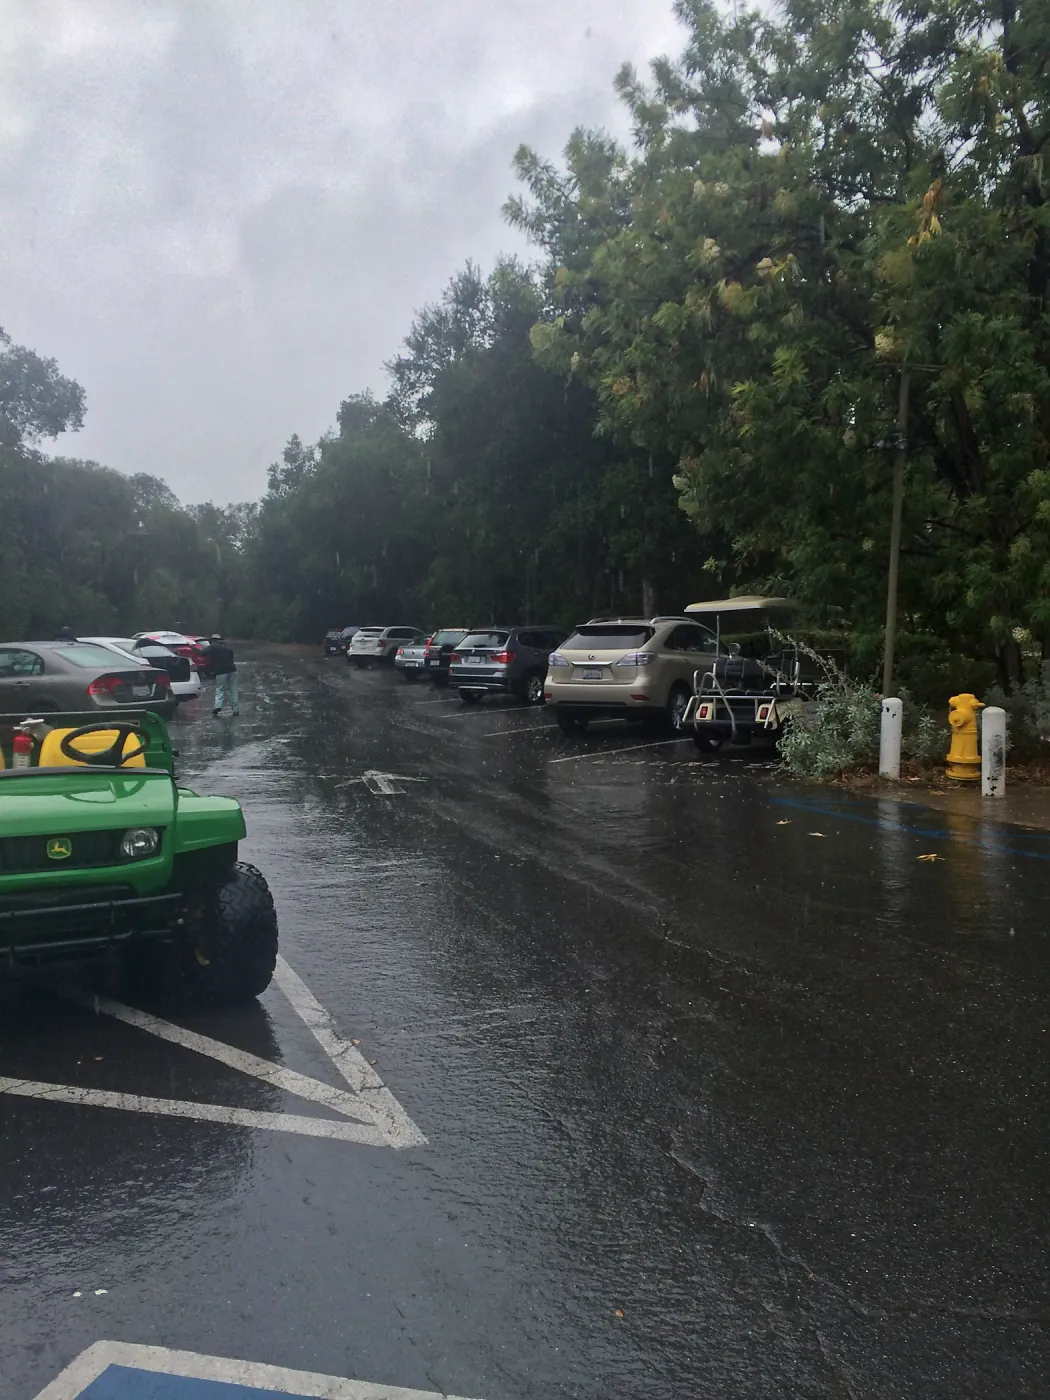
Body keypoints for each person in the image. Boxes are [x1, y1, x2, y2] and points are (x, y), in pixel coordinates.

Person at [209, 633, 239, 716]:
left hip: (221, 671)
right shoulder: (227, 647)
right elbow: (231, 657)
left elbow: (201, 652)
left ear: (213, 640)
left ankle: (217, 706)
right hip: (232, 670)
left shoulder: (213, 647)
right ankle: (235, 709)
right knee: (233, 690)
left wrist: (193, 648)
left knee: (220, 689)